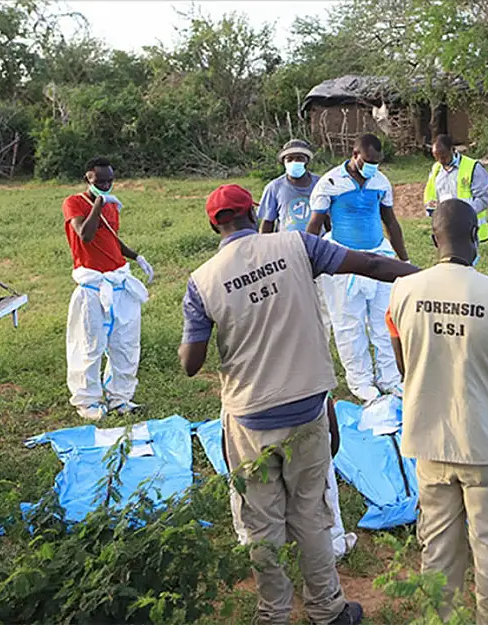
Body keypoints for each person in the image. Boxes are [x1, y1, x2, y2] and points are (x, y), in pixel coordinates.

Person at [179, 184, 418, 625]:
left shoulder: (202, 281)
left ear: (214, 224)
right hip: (307, 406)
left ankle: (272, 614)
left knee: (261, 520)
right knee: (310, 510)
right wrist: (417, 274)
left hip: (250, 415)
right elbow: (365, 262)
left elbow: (191, 364)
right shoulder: (297, 245)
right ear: (254, 211)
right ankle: (327, 609)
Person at [385, 199, 488, 625]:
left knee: (437, 551)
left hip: (430, 442)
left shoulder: (401, 292)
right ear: (475, 237)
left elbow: (404, 366)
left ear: (433, 239)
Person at [307, 133, 411, 402]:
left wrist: (404, 261)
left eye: (377, 162)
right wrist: (307, 261)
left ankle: (390, 377)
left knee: (384, 320)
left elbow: (391, 222)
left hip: (379, 253)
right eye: (368, 161)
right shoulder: (330, 183)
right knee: (348, 323)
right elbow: (314, 227)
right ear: (354, 155)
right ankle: (360, 380)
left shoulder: (381, 182)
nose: (372, 166)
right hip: (343, 259)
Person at [62, 156, 154, 421]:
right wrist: (99, 203)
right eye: (99, 180)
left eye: (109, 180)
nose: (105, 184)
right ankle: (87, 401)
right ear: (87, 178)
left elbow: (111, 239)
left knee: (125, 343)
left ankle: (120, 397)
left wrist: (136, 256)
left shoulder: (113, 208)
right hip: (92, 286)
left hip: (118, 282)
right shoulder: (75, 203)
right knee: (89, 345)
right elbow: (86, 234)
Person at [257, 139, 333, 334]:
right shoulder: (274, 188)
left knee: (322, 300)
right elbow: (267, 223)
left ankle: (321, 341)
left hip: (318, 249)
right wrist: (262, 252)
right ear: (283, 161)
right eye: (290, 159)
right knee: (289, 299)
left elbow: (328, 220)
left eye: (299, 158)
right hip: (286, 251)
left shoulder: (320, 184)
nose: (294, 162)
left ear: (307, 160)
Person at [424, 134, 488, 242]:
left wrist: (461, 214)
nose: (440, 160)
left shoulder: (473, 167)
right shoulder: (436, 169)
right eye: (436, 156)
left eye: (444, 156)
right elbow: (430, 194)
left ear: (452, 150)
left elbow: (482, 200)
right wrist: (433, 210)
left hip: (468, 228)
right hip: (445, 227)